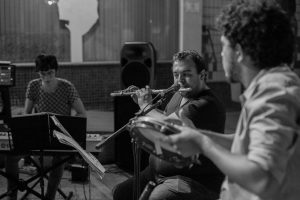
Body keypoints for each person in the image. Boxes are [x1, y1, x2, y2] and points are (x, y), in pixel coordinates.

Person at [161, 0, 300, 200]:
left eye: (224, 45)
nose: (221, 52)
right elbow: (245, 142)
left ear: (240, 52)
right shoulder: (270, 86)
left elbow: (263, 179)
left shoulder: (274, 94)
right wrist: (198, 134)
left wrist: (202, 143)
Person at [113, 50, 226, 200]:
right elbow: (164, 117)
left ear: (203, 75)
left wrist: (146, 106)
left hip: (191, 180)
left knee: (159, 198)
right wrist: (147, 108)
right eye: (176, 74)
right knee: (120, 193)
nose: (180, 80)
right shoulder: (178, 95)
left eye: (186, 74)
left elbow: (169, 124)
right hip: (156, 173)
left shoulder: (205, 104)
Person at [6, 54, 86, 200]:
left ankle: (49, 197)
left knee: (59, 157)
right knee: (11, 157)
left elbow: (81, 113)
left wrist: (69, 126)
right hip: (38, 134)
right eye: (43, 73)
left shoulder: (67, 87)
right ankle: (12, 196)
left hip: (60, 136)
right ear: (38, 72)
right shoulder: (34, 85)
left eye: (50, 73)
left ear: (56, 71)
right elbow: (27, 114)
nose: (47, 77)